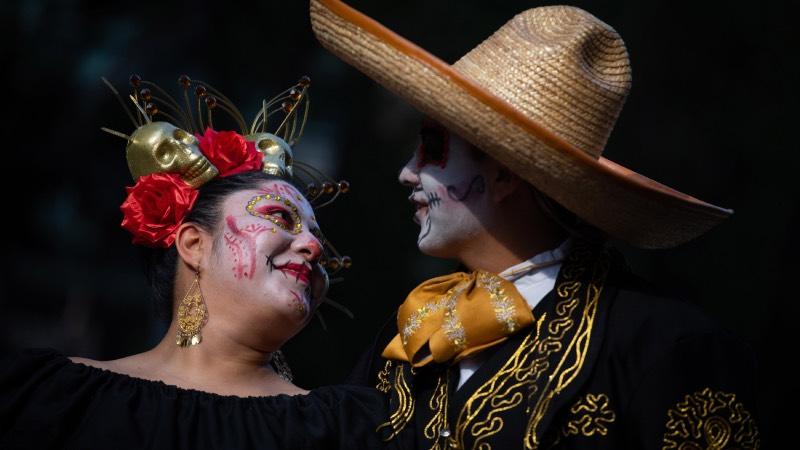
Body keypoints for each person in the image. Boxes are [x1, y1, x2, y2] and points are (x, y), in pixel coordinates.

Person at [310, 1, 762, 448]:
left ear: (505, 175)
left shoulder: (667, 346)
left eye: (432, 147)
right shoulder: (407, 333)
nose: (407, 172)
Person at [0, 74, 392, 449]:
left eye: (317, 236)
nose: (314, 247)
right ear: (193, 243)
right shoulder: (57, 396)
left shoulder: (349, 427)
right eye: (280, 217)